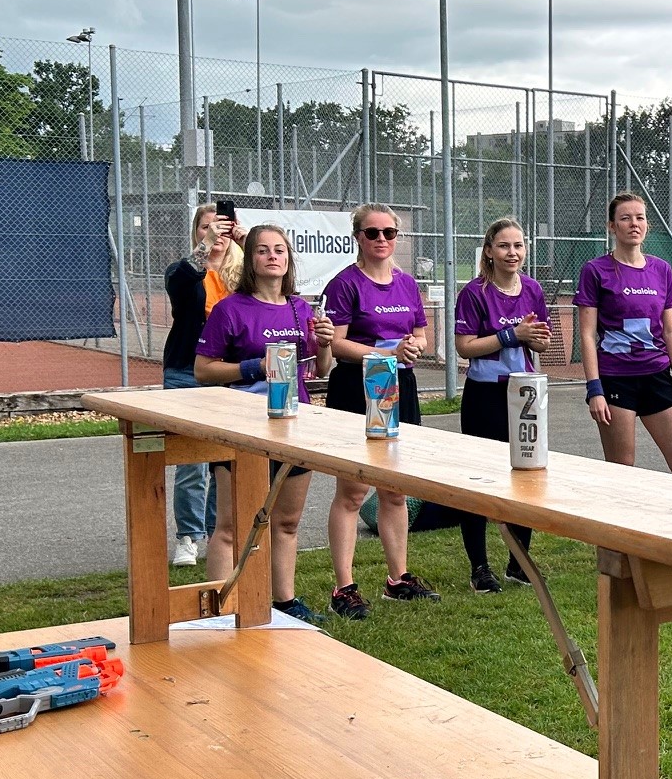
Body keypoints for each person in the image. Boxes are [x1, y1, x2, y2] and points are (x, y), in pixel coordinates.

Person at [194, 223, 336, 623]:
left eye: (280, 250)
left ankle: (284, 602)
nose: (273, 256)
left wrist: (324, 345)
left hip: (293, 423)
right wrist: (254, 366)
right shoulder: (230, 310)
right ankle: (220, 606)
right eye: (263, 250)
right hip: (242, 426)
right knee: (232, 525)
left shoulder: (301, 308)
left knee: (286, 521)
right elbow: (203, 370)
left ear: (288, 259)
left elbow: (319, 370)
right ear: (250, 259)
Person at [320, 204, 441, 620]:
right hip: (358, 386)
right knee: (352, 492)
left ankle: (398, 579)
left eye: (390, 232)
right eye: (373, 233)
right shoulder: (345, 284)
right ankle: (344, 588)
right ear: (358, 236)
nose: (382, 240)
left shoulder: (407, 284)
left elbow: (421, 333)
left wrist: (414, 346)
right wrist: (386, 351)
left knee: (395, 489)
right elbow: (337, 344)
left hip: (398, 386)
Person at [454, 218, 555, 594]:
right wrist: (512, 334)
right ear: (489, 251)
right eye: (504, 246)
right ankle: (479, 567)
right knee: (479, 478)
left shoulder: (532, 289)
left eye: (518, 245)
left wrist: (535, 339)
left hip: (525, 392)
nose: (512, 253)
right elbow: (464, 347)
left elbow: (541, 344)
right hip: (485, 394)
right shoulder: (475, 292)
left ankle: (519, 561)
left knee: (527, 475)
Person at [577, 194, 672, 476]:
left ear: (647, 225)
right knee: (623, 471)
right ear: (611, 226)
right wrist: (594, 389)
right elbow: (586, 334)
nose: (634, 224)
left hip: (657, 377)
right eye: (625, 218)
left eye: (640, 217)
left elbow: (670, 331)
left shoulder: (661, 269)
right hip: (616, 379)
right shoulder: (595, 271)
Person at [161, 202, 230, 565]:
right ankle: (188, 536)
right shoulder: (185, 271)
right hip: (185, 373)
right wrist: (207, 248)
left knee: (225, 461)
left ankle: (221, 532)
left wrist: (247, 246)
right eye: (206, 227)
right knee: (192, 463)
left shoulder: (240, 275)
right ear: (197, 233)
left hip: (226, 375)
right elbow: (181, 279)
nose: (215, 234)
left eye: (221, 228)